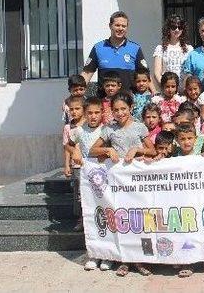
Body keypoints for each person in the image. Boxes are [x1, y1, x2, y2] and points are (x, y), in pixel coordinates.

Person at [89, 91, 159, 277]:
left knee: (142, 219)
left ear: (131, 108)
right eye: (116, 110)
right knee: (124, 220)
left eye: (123, 109)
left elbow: (152, 151)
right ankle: (125, 260)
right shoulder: (109, 129)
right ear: (111, 111)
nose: (120, 113)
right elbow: (92, 150)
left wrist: (136, 149)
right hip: (118, 183)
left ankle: (143, 259)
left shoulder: (139, 127)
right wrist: (108, 149)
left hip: (138, 182)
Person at [67, 97, 107, 270]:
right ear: (85, 113)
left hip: (105, 178)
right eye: (89, 112)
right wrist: (75, 151)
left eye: (96, 112)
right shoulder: (78, 131)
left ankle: (107, 254)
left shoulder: (107, 130)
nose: (93, 116)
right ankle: (92, 254)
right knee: (90, 214)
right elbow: (68, 145)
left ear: (102, 113)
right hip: (86, 177)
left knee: (106, 213)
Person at [82, 11, 149, 96]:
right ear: (110, 26)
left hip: (128, 103)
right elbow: (86, 74)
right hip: (105, 103)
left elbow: (146, 76)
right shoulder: (98, 48)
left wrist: (155, 94)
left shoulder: (135, 48)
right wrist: (73, 96)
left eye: (123, 26)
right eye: (117, 25)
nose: (120, 28)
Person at [152, 14, 194, 85]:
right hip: (167, 91)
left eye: (180, 27)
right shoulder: (160, 48)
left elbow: (191, 72)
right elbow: (157, 73)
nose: (177, 30)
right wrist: (166, 87)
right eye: (174, 27)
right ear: (169, 28)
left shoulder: (189, 49)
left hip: (184, 91)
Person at [63, 96, 85, 178]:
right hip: (76, 165)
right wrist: (67, 165)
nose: (74, 111)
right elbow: (66, 147)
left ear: (84, 109)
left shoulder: (89, 125)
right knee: (78, 189)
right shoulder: (67, 128)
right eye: (71, 109)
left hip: (90, 163)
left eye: (77, 108)